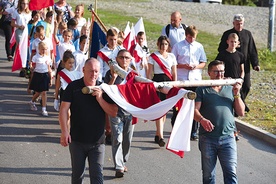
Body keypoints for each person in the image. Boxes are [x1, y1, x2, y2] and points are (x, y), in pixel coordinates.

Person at [59, 58, 118, 184]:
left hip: (97, 142)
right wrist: (65, 132)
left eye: (96, 71)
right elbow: (64, 109)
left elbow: (113, 112)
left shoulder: (103, 88)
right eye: (91, 71)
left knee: (97, 178)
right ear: (83, 70)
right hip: (77, 141)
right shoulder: (73, 87)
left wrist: (100, 98)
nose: (94, 74)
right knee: (77, 176)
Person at [194, 60, 245, 184]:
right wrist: (202, 120)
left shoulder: (230, 87)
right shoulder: (202, 89)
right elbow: (194, 110)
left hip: (228, 138)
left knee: (231, 174)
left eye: (222, 71)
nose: (220, 75)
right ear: (209, 73)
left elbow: (241, 112)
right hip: (208, 139)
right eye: (216, 72)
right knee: (208, 176)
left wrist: (237, 94)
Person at [218, 14, 260, 112]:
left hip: (244, 63)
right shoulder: (227, 34)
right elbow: (220, 49)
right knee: (231, 85)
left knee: (246, 85)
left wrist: (255, 63)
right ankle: (237, 105)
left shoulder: (247, 34)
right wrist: (232, 48)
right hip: (230, 63)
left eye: (241, 24)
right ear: (233, 23)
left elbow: (252, 49)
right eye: (237, 24)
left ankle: (241, 101)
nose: (239, 26)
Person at [171, 25, 207, 140]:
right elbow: (172, 63)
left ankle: (193, 131)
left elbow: (203, 62)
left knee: (195, 106)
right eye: (190, 37)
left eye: (194, 37)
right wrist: (183, 66)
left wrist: (196, 66)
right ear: (186, 35)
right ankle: (177, 128)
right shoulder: (178, 46)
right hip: (182, 80)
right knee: (180, 106)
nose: (192, 40)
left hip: (195, 79)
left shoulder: (199, 46)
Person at [104, 49, 134, 178]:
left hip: (130, 111)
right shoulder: (109, 73)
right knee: (117, 138)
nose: (124, 60)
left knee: (127, 139)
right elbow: (105, 91)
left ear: (130, 60)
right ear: (117, 59)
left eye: (127, 58)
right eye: (121, 57)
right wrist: (113, 78)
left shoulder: (133, 75)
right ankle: (119, 166)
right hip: (115, 111)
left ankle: (123, 160)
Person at [147, 36, 177, 147]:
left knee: (165, 110)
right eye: (162, 44)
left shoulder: (172, 56)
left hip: (168, 84)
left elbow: (174, 73)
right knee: (160, 109)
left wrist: (175, 85)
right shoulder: (153, 57)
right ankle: (161, 136)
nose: (163, 46)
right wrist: (149, 84)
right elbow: (150, 73)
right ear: (158, 44)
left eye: (165, 44)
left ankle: (157, 134)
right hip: (157, 84)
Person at [216, 33, 245, 141]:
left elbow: (242, 70)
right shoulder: (222, 54)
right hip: (226, 85)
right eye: (231, 41)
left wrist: (240, 80)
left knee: (236, 107)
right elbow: (218, 68)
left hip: (236, 85)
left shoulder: (240, 55)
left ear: (238, 43)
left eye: (235, 42)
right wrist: (223, 79)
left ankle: (233, 129)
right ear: (228, 41)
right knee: (228, 108)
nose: (233, 43)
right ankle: (233, 131)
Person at [28, 42, 53, 116]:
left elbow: (49, 69)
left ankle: (44, 109)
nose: (44, 51)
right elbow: (33, 67)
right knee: (38, 92)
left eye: (45, 49)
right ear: (39, 49)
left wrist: (50, 79)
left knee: (44, 92)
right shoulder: (35, 57)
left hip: (45, 76)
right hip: (37, 75)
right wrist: (31, 67)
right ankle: (32, 101)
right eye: (42, 49)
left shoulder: (47, 58)